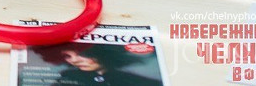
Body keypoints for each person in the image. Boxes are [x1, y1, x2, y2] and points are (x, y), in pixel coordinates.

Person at [34, 43, 162, 86]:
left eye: (84, 54)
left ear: (102, 55)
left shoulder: (138, 81)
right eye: (67, 56)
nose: (74, 60)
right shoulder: (66, 79)